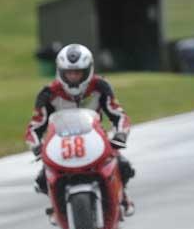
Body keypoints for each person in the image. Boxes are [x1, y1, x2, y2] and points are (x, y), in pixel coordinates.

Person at [25, 44, 136, 217]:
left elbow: (118, 115)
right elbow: (34, 127)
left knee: (124, 166)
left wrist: (121, 134)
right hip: (60, 144)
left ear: (88, 70)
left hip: (96, 139)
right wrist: (37, 147)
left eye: (78, 72)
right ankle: (56, 206)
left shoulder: (101, 86)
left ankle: (122, 196)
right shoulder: (48, 93)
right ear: (60, 71)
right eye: (69, 72)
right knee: (41, 180)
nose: (73, 77)